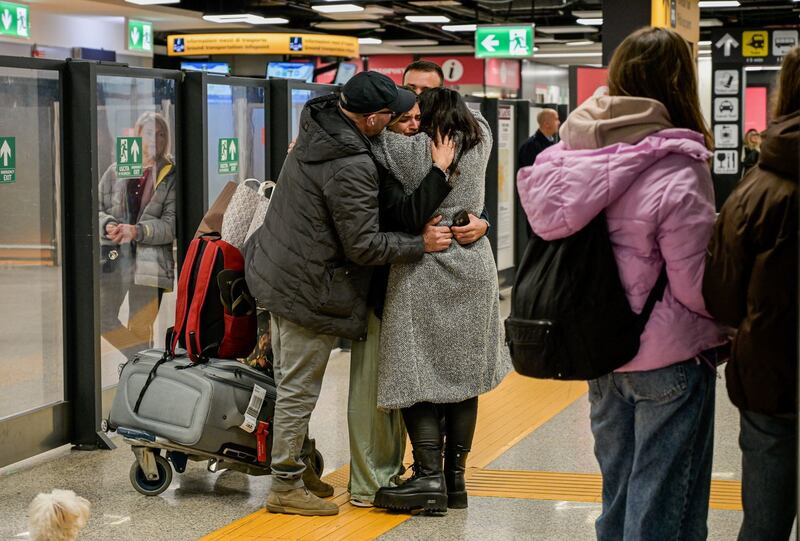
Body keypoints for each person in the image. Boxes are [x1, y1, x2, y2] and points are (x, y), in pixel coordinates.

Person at [517, 27, 726, 540]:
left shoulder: (564, 158)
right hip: (667, 360)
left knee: (618, 496)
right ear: (678, 84)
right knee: (662, 507)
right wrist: (735, 323)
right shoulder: (678, 164)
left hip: (600, 350)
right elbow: (694, 284)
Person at [244, 71, 456, 517]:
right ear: (372, 117)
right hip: (308, 287)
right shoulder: (351, 163)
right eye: (391, 115)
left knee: (289, 382)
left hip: (279, 270)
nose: (399, 122)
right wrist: (420, 243)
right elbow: (364, 246)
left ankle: (298, 468)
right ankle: (284, 485)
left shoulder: (319, 126)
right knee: (298, 387)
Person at [370, 87, 511, 512]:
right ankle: (456, 480)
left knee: (416, 374)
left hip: (422, 268)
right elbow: (477, 120)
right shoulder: (481, 138)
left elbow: (374, 138)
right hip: (474, 264)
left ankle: (428, 475)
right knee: (465, 379)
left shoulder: (406, 149)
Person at [703, 45, 799, 541]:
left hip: (770, 372)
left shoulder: (754, 189)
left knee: (763, 523)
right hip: (769, 371)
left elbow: (721, 295)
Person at [346, 88, 456, 508]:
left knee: (409, 383)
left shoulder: (383, 148)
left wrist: (480, 221)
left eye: (419, 118)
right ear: (382, 117)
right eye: (406, 118)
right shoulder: (375, 156)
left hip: (400, 283)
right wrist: (438, 171)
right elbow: (404, 216)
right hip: (377, 284)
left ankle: (424, 476)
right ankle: (375, 482)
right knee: (378, 388)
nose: (415, 126)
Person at [99, 111, 176, 360]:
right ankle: (142, 364)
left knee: (140, 328)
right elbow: (95, 209)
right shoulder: (116, 171)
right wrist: (108, 225)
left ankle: (140, 371)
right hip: (116, 260)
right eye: (150, 133)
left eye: (161, 134)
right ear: (138, 134)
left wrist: (137, 231)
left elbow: (170, 226)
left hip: (151, 265)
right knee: (102, 317)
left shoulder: (170, 175)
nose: (156, 139)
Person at [403, 61, 489, 246]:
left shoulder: (459, 135)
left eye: (425, 90)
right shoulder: (389, 127)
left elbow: (471, 188)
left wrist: (483, 223)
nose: (417, 95)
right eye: (410, 88)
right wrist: (415, 240)